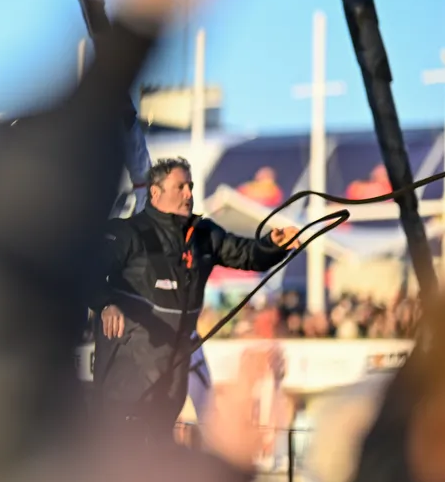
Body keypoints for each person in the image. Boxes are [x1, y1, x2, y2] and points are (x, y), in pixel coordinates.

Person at [90, 157, 301, 438]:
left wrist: (274, 245)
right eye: (180, 187)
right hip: (128, 370)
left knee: (159, 445)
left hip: (174, 367)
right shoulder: (129, 233)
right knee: (121, 447)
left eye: (190, 186)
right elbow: (85, 269)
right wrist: (105, 303)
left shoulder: (203, 235)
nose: (189, 193)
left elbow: (247, 254)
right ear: (156, 193)